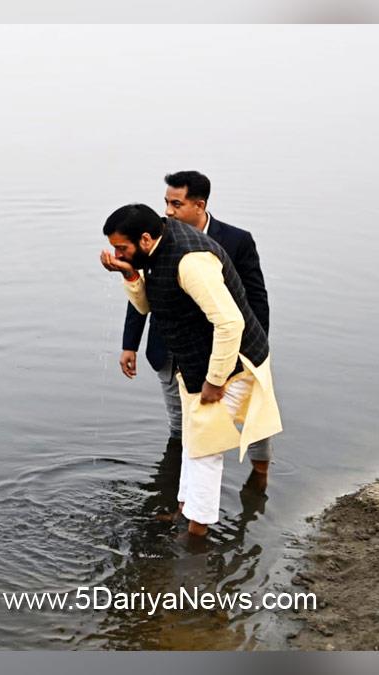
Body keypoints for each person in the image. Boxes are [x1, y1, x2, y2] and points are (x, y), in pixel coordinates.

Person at [100, 204, 282, 537]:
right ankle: (185, 509)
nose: (116, 253)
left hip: (233, 363)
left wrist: (215, 380)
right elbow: (148, 306)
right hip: (197, 358)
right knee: (193, 440)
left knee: (205, 450)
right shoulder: (157, 244)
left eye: (121, 248)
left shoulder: (191, 260)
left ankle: (196, 535)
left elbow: (230, 322)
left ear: (144, 238)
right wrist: (129, 274)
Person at [118, 171, 273, 490]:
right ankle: (176, 494)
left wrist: (250, 355)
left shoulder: (235, 240)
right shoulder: (155, 237)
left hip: (226, 352)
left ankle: (259, 481)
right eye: (166, 202)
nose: (169, 210)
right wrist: (129, 345)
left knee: (253, 424)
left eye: (176, 203)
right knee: (181, 428)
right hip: (168, 351)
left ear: (199, 205)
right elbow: (144, 291)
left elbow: (254, 298)